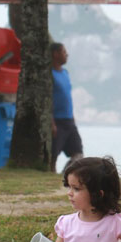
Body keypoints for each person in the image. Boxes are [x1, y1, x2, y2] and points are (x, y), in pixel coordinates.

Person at [50, 42, 83, 173]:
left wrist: (72, 116)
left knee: (78, 154)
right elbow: (49, 99)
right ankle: (50, 175)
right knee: (53, 155)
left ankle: (66, 175)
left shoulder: (65, 73)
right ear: (55, 54)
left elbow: (67, 97)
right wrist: (51, 122)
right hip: (57, 121)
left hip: (69, 120)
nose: (67, 55)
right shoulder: (50, 74)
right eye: (64, 52)